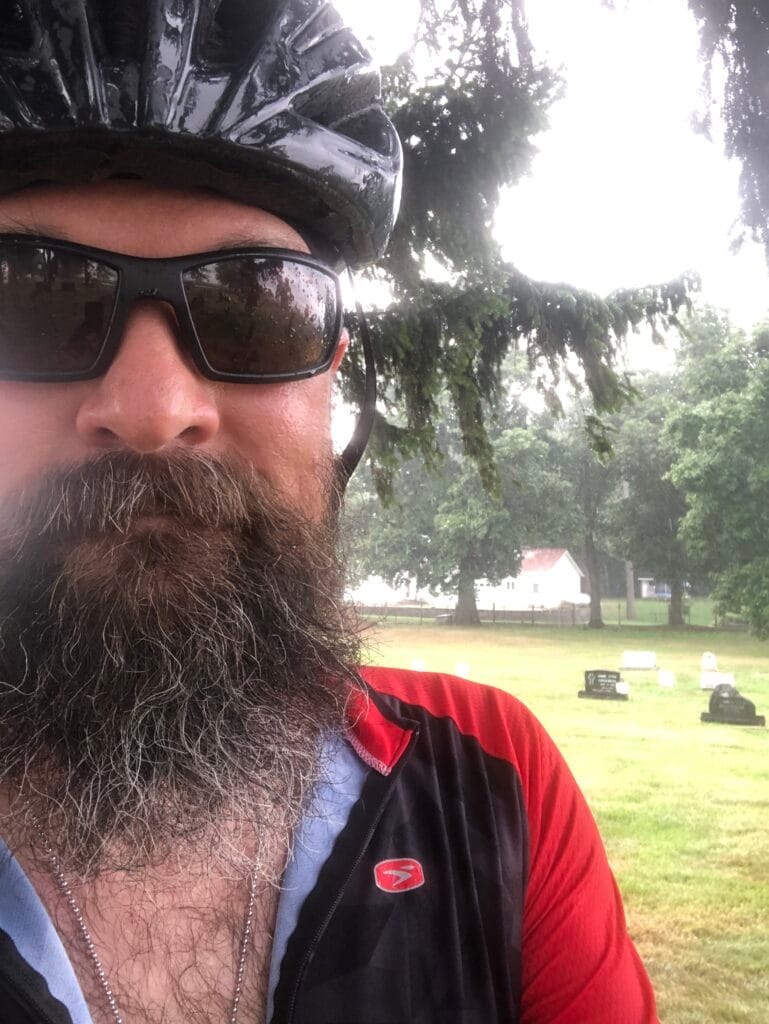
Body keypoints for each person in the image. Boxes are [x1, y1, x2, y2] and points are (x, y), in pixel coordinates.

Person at [0, 2, 658, 1022]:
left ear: (328, 374)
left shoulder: (492, 786)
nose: (154, 411)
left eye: (255, 308)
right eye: (31, 300)